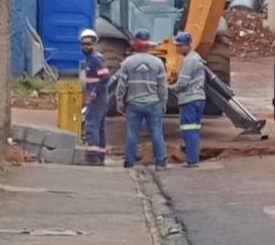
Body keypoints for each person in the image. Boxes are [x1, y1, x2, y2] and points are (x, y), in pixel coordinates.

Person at [114, 29, 168, 170]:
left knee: (132, 133)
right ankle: (161, 162)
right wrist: (163, 103)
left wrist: (119, 101)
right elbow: (162, 87)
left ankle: (129, 162)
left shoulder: (128, 63)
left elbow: (121, 85)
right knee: (156, 132)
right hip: (153, 103)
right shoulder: (158, 63)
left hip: (134, 103)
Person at [169, 32, 206, 168]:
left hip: (189, 99)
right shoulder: (196, 57)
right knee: (194, 130)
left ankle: (192, 160)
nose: (177, 49)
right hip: (199, 98)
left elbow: (182, 83)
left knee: (189, 130)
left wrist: (169, 88)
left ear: (186, 45)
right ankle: (193, 158)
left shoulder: (189, 60)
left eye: (179, 46)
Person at [79, 29, 110, 166]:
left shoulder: (95, 59)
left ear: (94, 44)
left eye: (89, 44)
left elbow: (105, 77)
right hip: (98, 96)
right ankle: (100, 155)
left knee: (92, 125)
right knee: (100, 127)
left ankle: (93, 157)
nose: (86, 46)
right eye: (84, 44)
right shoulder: (90, 59)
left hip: (97, 97)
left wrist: (94, 93)